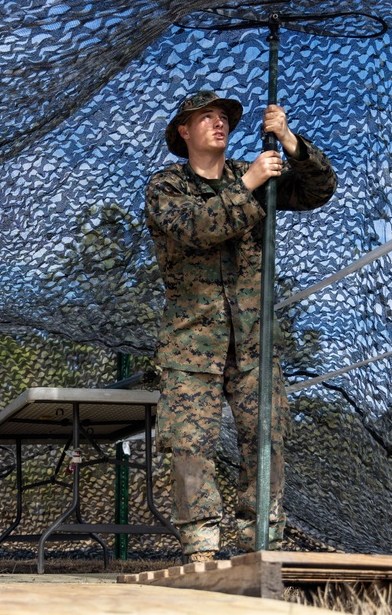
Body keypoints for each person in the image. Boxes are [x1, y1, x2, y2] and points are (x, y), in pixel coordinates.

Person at [144, 90, 336, 564]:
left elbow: (319, 189)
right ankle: (202, 547)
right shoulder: (167, 187)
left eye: (224, 117)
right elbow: (197, 229)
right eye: (205, 117)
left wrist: (289, 140)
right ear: (183, 132)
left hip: (254, 341)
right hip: (192, 344)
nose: (219, 123)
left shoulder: (256, 179)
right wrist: (249, 182)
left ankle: (262, 541)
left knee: (266, 438)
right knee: (190, 445)